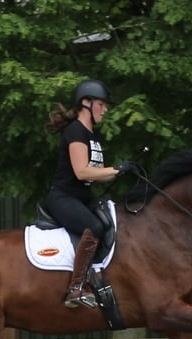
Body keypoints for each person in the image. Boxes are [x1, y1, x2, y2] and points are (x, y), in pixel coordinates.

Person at [45, 79, 135, 308]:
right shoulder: (76, 131)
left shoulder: (92, 135)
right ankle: (75, 289)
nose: (105, 110)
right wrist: (115, 169)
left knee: (113, 219)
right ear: (86, 103)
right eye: (101, 104)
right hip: (63, 197)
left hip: (82, 198)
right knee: (93, 227)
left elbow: (97, 174)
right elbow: (83, 172)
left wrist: (123, 170)